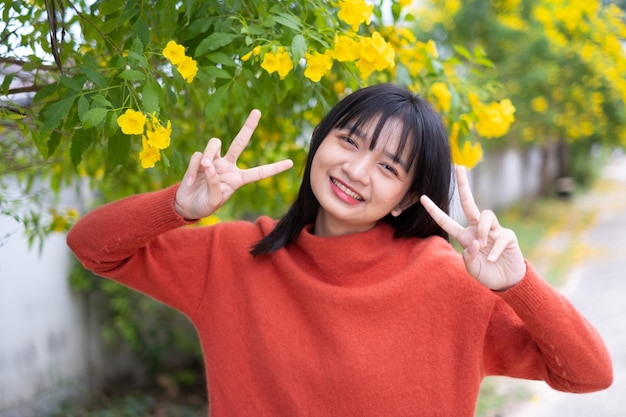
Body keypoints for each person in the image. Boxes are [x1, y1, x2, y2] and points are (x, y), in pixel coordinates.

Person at [67, 84, 612, 416]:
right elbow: (92, 246)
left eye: (388, 167)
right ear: (319, 143)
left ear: (404, 200)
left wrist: (519, 284)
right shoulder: (233, 255)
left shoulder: (452, 285)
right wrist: (179, 209)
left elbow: (588, 374)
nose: (355, 170)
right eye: (349, 141)